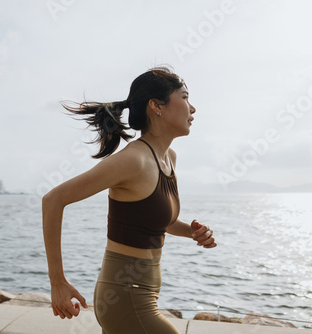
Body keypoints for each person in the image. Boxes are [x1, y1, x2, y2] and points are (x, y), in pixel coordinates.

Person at [42, 66, 217, 334]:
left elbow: (158, 222)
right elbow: (53, 200)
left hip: (143, 294)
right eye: (184, 97)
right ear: (156, 106)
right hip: (125, 298)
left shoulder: (169, 158)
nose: (192, 109)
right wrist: (57, 281)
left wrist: (192, 232)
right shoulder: (132, 160)